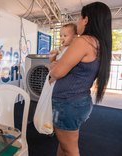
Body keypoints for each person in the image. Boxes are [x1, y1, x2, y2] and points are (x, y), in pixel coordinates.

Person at [49, 2, 112, 156]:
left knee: (70, 149)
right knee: (64, 145)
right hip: (78, 102)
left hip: (67, 104)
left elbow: (57, 72)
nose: (77, 22)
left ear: (86, 19)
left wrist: (52, 64)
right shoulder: (99, 44)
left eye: (79, 17)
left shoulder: (83, 41)